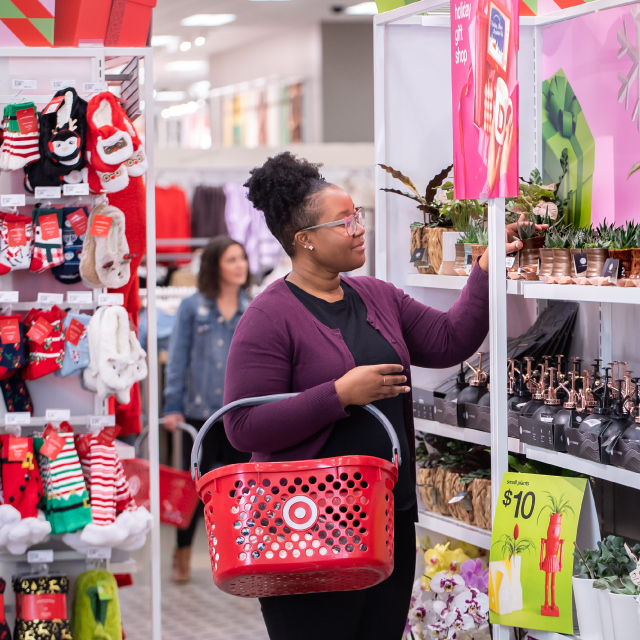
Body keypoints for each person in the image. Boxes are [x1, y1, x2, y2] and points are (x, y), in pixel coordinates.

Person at [222, 152, 545, 640]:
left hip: (386, 518)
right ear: (303, 240)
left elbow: (448, 340)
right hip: (306, 528)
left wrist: (483, 268)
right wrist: (339, 395)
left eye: (359, 217)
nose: (358, 228)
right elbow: (242, 426)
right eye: (345, 221)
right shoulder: (268, 317)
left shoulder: (377, 295)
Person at [163, 236, 252, 584]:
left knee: (244, 488)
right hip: (199, 415)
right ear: (215, 265)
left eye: (242, 259)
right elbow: (177, 359)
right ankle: (181, 556)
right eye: (232, 260)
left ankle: (245, 556)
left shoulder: (253, 308)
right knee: (194, 490)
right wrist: (173, 404)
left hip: (239, 415)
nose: (241, 265)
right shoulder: (191, 307)